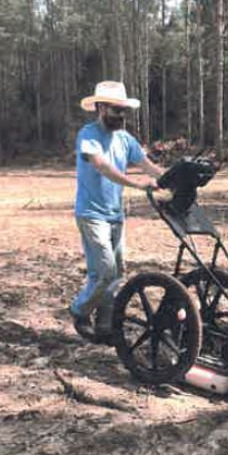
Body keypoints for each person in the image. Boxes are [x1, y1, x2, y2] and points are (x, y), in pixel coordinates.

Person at [69, 81, 163, 342]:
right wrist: (136, 184)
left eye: (123, 111)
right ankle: (79, 310)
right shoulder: (87, 135)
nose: (120, 116)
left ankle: (105, 325)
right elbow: (102, 166)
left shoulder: (125, 139)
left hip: (115, 214)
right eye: (114, 110)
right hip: (91, 214)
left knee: (117, 272)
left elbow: (147, 165)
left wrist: (172, 181)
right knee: (105, 270)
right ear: (100, 108)